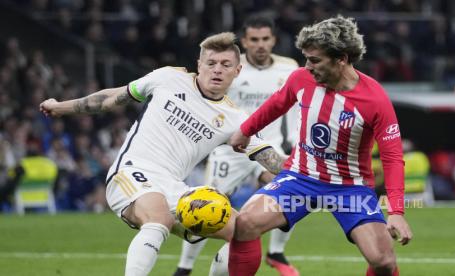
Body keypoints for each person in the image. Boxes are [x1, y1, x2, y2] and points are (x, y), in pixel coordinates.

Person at [39, 32, 286, 276]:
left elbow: (271, 159)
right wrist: (61, 107)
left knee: (244, 230)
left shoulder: (236, 119)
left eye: (225, 65)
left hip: (175, 187)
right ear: (199, 65)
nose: (217, 70)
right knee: (159, 220)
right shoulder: (168, 78)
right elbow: (112, 98)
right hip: (132, 172)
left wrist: (313, 172)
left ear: (237, 71)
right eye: (211, 63)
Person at [228, 15, 413, 276]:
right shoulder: (300, 79)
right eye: (306, 58)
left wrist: (396, 211)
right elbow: (277, 104)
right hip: (300, 179)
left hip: (350, 189)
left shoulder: (375, 100)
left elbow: (393, 158)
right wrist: (245, 131)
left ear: (342, 58)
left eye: (315, 60)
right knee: (245, 223)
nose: (308, 66)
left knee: (382, 261)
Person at [173, 14, 300, 276]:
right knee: (207, 206)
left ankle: (276, 252)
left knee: (292, 191)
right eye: (254, 40)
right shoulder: (230, 65)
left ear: (274, 40)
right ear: (245, 41)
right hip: (229, 149)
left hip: (268, 146)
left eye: (265, 39)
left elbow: (294, 107)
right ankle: (184, 268)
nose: (260, 45)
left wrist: (295, 140)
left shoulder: (289, 68)